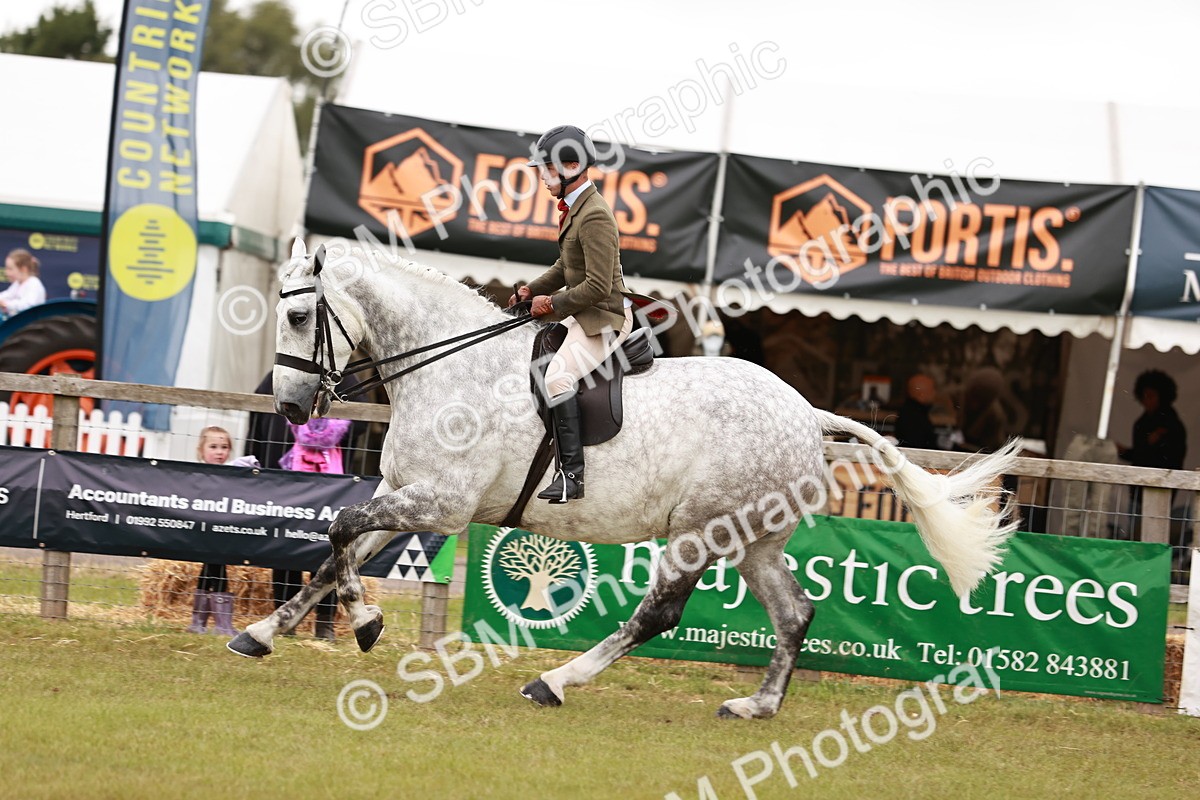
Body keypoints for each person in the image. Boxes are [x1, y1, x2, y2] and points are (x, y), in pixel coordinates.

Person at [507, 124, 633, 504]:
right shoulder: (576, 208)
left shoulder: (594, 215)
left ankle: (572, 477)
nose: (542, 179)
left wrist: (552, 305)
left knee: (559, 379)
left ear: (572, 165)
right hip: (585, 312)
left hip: (604, 317)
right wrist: (534, 289)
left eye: (546, 170)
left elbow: (596, 286)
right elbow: (566, 266)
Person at [274, 415, 353, 641]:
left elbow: (359, 429)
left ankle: (324, 623)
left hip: (333, 491)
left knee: (329, 554)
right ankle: (284, 620)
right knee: (286, 552)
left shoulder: (344, 392)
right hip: (292, 488)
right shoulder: (293, 402)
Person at [186, 426, 256, 636]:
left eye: (224, 447)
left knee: (214, 568)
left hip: (221, 531)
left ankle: (200, 623)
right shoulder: (197, 475)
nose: (219, 452)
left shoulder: (230, 473)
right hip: (205, 532)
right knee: (214, 568)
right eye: (213, 447)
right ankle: (219, 625)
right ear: (201, 450)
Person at [1117, 369, 1187, 470]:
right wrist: (1123, 451)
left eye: (1151, 396)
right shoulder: (1141, 423)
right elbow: (1139, 456)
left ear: (1162, 397)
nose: (1146, 400)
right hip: (1142, 479)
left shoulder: (1172, 425)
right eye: (1144, 396)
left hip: (1163, 480)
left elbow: (1174, 458)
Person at [894, 373, 940, 450]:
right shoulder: (912, 417)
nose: (935, 393)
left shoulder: (915, 412)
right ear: (921, 394)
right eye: (932, 389)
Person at [0, 249, 47, 319]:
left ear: (23, 269)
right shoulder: (17, 284)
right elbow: (5, 295)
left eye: (10, 269)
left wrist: (6, 304)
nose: (7, 273)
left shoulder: (34, 284)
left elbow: (29, 305)